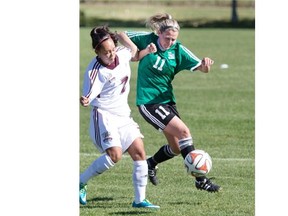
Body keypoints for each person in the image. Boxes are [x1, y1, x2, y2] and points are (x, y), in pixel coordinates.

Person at [117, 13, 221, 192]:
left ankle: (151, 163)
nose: (170, 42)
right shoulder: (147, 39)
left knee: (176, 147)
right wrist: (135, 50)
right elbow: (120, 33)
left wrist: (206, 65)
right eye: (167, 38)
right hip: (148, 102)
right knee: (184, 132)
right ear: (159, 33)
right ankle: (201, 180)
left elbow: (201, 68)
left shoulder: (178, 50)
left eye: (173, 39)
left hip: (167, 102)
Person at [79, 25, 160, 208]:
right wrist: (85, 100)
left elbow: (134, 54)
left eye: (112, 49)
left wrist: (147, 50)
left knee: (139, 152)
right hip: (104, 116)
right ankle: (79, 182)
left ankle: (139, 200)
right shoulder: (95, 71)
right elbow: (88, 96)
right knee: (114, 156)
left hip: (123, 115)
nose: (111, 54)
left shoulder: (121, 53)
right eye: (106, 52)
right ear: (97, 51)